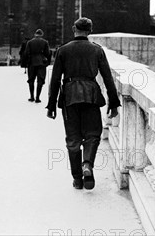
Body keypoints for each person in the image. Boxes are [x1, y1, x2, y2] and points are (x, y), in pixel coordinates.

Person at [46, 17, 120, 191]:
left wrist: (51, 105)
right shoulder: (97, 50)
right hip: (91, 95)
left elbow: (55, 79)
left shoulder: (63, 50)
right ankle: (87, 164)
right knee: (93, 134)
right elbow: (108, 78)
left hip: (70, 97)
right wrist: (114, 103)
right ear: (90, 31)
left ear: (74, 29)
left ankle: (77, 179)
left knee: (73, 139)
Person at [24, 29, 51, 103]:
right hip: (41, 62)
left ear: (35, 34)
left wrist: (27, 62)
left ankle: (31, 96)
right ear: (41, 34)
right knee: (40, 80)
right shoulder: (45, 42)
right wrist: (46, 61)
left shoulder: (30, 42)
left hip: (32, 62)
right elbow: (47, 53)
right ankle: (38, 97)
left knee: (31, 80)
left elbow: (26, 53)